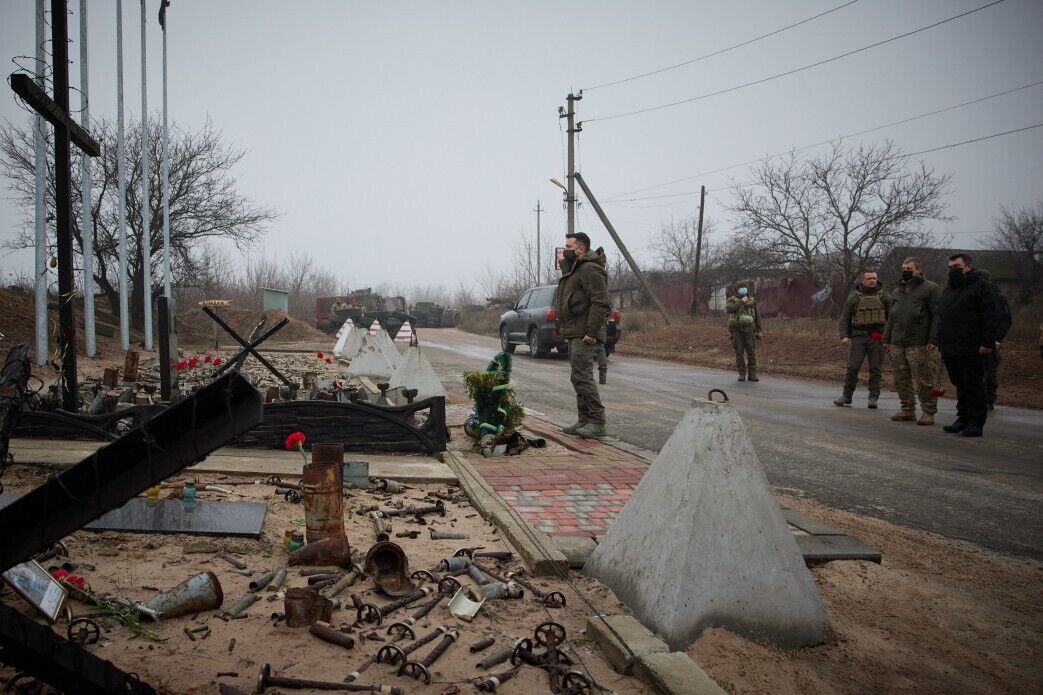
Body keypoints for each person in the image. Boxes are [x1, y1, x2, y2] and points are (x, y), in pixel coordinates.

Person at [556, 232, 611, 438]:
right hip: (575, 332)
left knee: (583, 376)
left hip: (585, 333)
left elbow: (601, 302)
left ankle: (597, 422)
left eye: (568, 246)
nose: (565, 250)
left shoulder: (590, 269)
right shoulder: (575, 270)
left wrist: (591, 333)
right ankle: (584, 420)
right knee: (577, 377)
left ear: (580, 249)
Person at [938, 253, 998, 437]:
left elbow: (991, 317)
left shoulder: (982, 288)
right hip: (951, 346)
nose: (952, 270)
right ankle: (962, 418)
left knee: (973, 385)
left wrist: (987, 342)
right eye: (950, 267)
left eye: (956, 267)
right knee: (960, 384)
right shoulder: (949, 289)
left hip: (972, 346)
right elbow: (943, 317)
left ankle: (976, 422)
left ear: (968, 267)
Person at [884, 257, 941, 425]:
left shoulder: (930, 289)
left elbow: (937, 316)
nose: (905, 270)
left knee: (924, 378)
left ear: (918, 270)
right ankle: (907, 409)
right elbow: (891, 319)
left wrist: (933, 338)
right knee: (900, 378)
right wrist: (887, 339)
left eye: (909, 268)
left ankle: (928, 412)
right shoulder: (897, 291)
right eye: (903, 268)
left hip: (919, 342)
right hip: (897, 342)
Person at [834, 270, 893, 408]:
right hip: (859, 336)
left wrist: (889, 339)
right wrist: (844, 336)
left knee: (875, 368)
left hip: (877, 337)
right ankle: (846, 396)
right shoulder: (854, 297)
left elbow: (892, 319)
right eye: (869, 278)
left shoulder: (885, 296)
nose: (872, 281)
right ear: (863, 280)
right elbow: (845, 318)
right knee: (853, 367)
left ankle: (873, 398)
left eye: (874, 278)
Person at [977, 270, 1012, 409]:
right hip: (974, 339)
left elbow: (1006, 319)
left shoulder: (998, 297)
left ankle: (989, 399)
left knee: (990, 370)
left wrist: (997, 338)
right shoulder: (973, 296)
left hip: (991, 340)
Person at [726, 281, 762, 382]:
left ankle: (752, 374)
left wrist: (759, 330)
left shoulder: (752, 300)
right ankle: (742, 373)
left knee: (751, 352)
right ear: (737, 289)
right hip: (737, 331)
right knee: (739, 352)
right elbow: (729, 309)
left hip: (750, 330)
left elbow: (757, 316)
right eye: (741, 288)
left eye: (745, 288)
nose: (744, 290)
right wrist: (742, 301)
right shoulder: (732, 300)